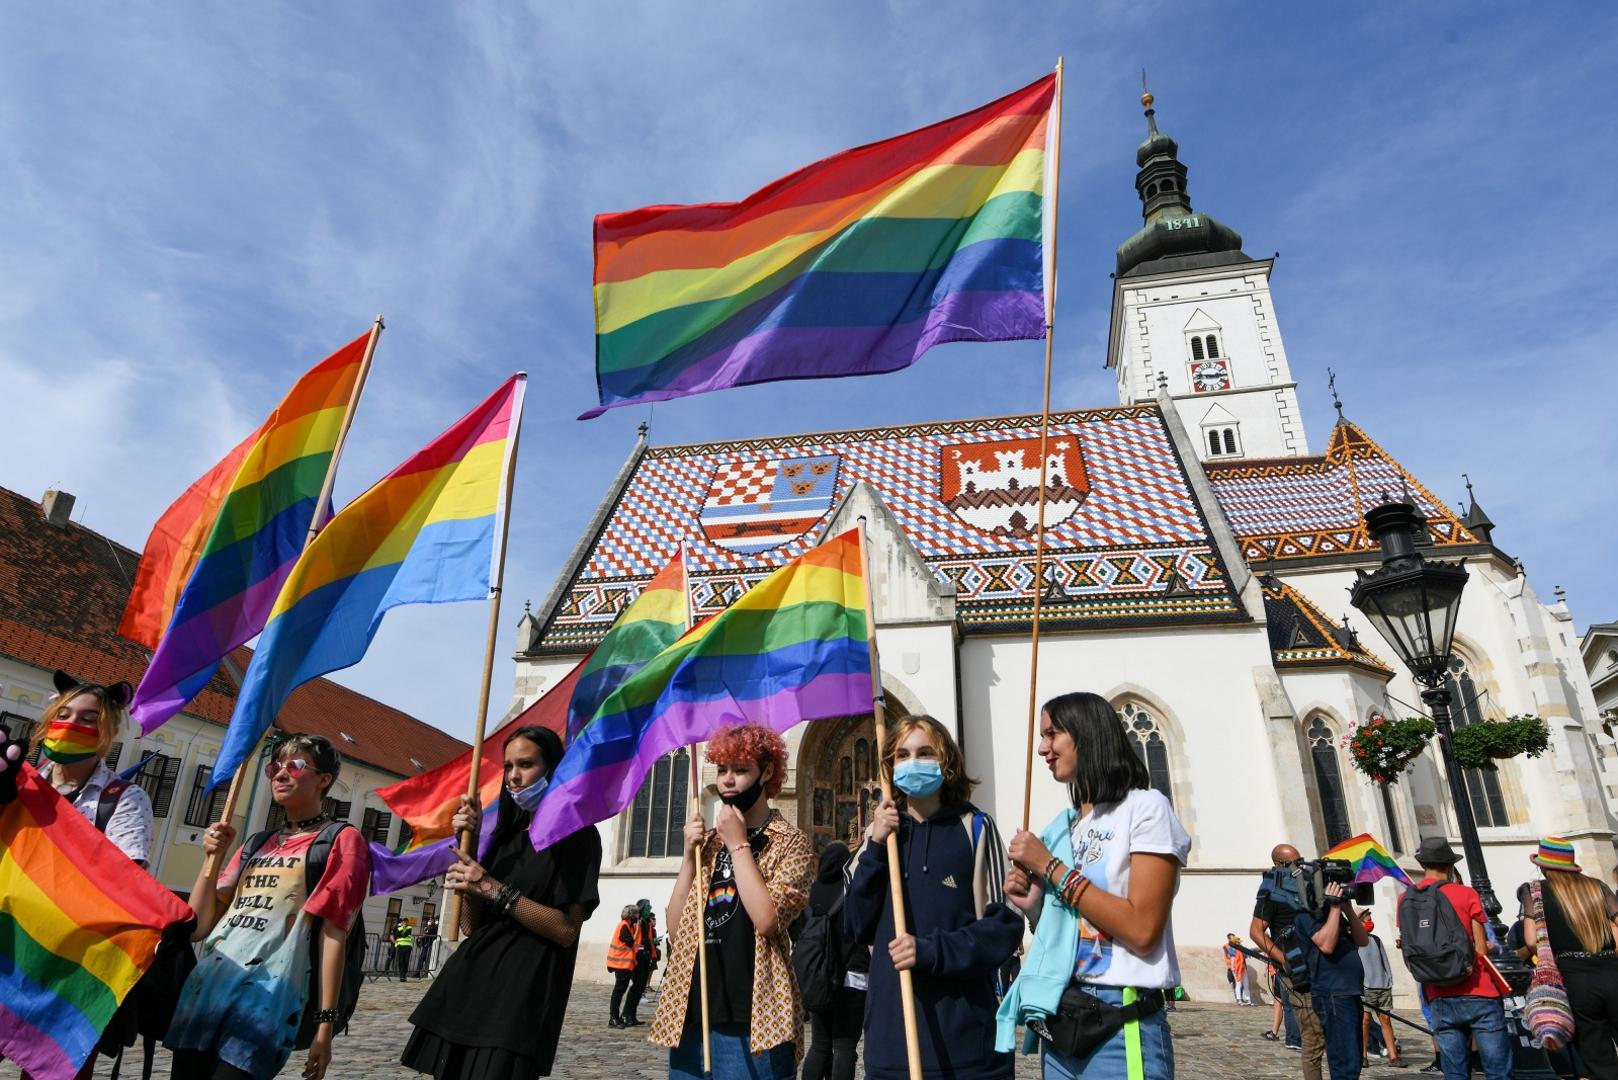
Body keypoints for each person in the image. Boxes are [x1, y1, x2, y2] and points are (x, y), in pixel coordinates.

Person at [998, 692, 1192, 1079]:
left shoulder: (1146, 808)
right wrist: (1036, 907)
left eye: (1052, 734)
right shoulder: (1068, 826)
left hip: (1120, 1021)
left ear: (1086, 735)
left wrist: (1050, 867)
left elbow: (1141, 931)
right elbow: (1075, 930)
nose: (1042, 748)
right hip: (1063, 1015)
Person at [401, 725, 602, 1078]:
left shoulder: (578, 836)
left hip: (518, 999)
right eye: (508, 767)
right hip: (469, 986)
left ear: (552, 768)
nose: (514, 777)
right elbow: (470, 927)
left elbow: (566, 929)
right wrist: (472, 846)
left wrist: (492, 887)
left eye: (525, 765)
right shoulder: (506, 837)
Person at [167, 734, 371, 1080]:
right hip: (207, 991)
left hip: (266, 1001)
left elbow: (333, 932)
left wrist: (325, 1026)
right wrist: (211, 861)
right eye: (275, 766)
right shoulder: (256, 843)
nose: (280, 773)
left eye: (295, 765)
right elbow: (200, 926)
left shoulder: (340, 840)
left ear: (324, 780)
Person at [845, 714, 1023, 1080]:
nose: (914, 762)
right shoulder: (877, 838)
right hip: (891, 1045)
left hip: (964, 1049)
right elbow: (855, 925)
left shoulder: (975, 827)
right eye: (902, 755)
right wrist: (876, 846)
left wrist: (931, 951)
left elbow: (1002, 928)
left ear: (947, 762)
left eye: (925, 753)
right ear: (889, 768)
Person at [650, 722, 814, 1080]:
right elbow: (678, 931)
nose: (727, 780)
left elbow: (768, 920)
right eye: (722, 770)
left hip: (752, 1016)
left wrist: (738, 844)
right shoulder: (708, 843)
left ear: (767, 772)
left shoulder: (789, 842)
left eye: (740, 770)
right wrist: (689, 859)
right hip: (692, 1011)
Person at [24, 670, 159, 1080]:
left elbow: (124, 883)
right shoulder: (20, 785)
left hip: (69, 970)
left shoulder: (123, 799)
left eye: (88, 718)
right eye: (64, 713)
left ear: (106, 731)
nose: (72, 723)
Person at [1395, 838, 1511, 1080]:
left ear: (1423, 864)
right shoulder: (1466, 894)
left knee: (1455, 1072)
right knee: (1497, 1071)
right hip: (1478, 990)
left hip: (1437, 993)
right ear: (1449, 866)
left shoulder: (1404, 899)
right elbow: (1480, 950)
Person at [1520, 836, 1618, 1074]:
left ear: (1542, 865)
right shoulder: (1597, 887)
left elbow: (1532, 940)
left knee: (1596, 1052)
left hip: (1574, 977)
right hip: (1611, 969)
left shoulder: (1534, 892)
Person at [1252, 844, 1326, 1073]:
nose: (1298, 867)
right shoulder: (1272, 891)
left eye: (1300, 860)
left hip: (1322, 967)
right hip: (1296, 972)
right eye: (1292, 863)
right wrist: (1284, 960)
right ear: (1278, 865)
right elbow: (1256, 932)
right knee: (1313, 1035)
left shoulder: (1309, 886)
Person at [802, 841, 868, 1080]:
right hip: (852, 975)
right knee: (845, 1046)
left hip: (819, 976)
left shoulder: (811, 891)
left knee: (819, 1044)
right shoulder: (850, 889)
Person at [1355, 910, 1406, 1068]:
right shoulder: (1354, 941)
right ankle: (1363, 1055)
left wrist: (1389, 979)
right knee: (1365, 1021)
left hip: (1382, 985)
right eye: (1367, 920)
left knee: (1386, 1020)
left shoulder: (1376, 940)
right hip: (1366, 986)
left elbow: (1384, 960)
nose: (1370, 922)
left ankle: (1393, 1056)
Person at [627, 898, 660, 1026]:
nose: (650, 909)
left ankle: (632, 1015)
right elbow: (635, 941)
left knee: (640, 987)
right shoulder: (638, 922)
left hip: (645, 957)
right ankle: (627, 1014)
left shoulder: (646, 923)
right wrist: (643, 950)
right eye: (648, 907)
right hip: (638, 957)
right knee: (636, 987)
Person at [609, 904, 642, 1028]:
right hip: (620, 963)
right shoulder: (624, 926)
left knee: (620, 991)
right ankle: (613, 1018)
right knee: (618, 991)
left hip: (625, 964)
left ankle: (616, 1017)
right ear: (631, 915)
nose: (638, 917)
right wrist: (638, 930)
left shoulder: (627, 925)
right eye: (636, 914)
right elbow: (630, 942)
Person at [1224, 933, 1251, 1005]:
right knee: (1238, 984)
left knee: (1246, 983)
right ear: (1230, 939)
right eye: (1233, 938)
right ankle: (1239, 1000)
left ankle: (1248, 1000)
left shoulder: (1240, 947)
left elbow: (1245, 955)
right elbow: (1231, 957)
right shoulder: (1229, 947)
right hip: (1236, 968)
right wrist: (1232, 968)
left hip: (1242, 967)